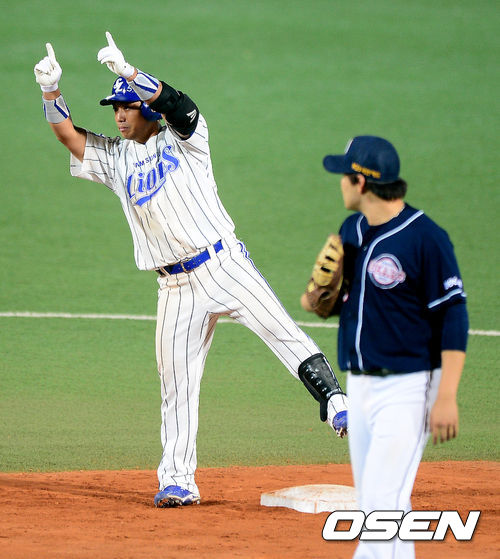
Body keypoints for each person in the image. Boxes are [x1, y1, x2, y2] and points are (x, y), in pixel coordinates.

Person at [33, 33, 348, 508]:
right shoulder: (116, 159)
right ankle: (178, 481)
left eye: (127, 106)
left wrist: (132, 73)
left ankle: (336, 403)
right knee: (176, 386)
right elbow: (68, 136)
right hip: (174, 287)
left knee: (282, 331)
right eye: (115, 108)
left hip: (224, 263)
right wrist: (50, 90)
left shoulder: (188, 139)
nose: (119, 115)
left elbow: (180, 104)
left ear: (148, 109)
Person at [301, 136, 468, 559]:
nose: (340, 182)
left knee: (378, 504)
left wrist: (447, 395)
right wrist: (317, 295)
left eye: (344, 175)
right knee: (386, 502)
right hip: (360, 387)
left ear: (361, 182)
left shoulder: (426, 239)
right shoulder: (351, 231)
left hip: (409, 389)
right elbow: (328, 305)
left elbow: (453, 316)